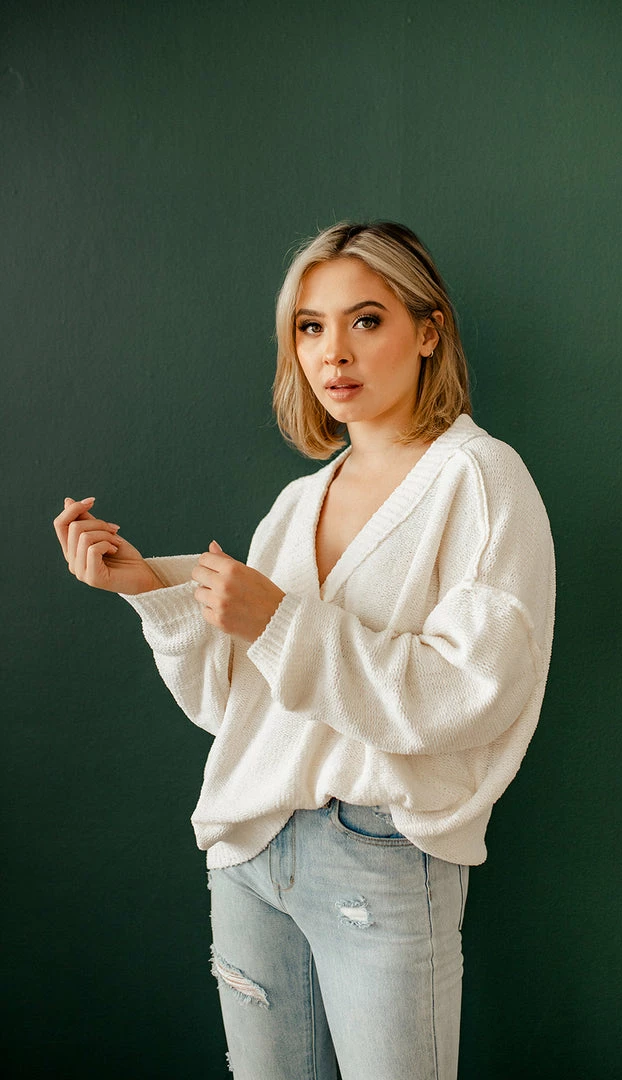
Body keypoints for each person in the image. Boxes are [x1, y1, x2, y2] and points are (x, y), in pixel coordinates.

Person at [53, 221, 555, 1080]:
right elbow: (234, 707)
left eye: (367, 320)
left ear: (428, 332)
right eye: (310, 326)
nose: (334, 352)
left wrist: (281, 622)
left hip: (381, 855)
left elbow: (473, 690)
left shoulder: (478, 478)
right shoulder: (296, 503)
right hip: (249, 853)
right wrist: (148, 588)